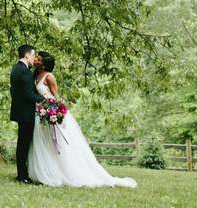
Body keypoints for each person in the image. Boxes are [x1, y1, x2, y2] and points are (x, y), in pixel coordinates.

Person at [27, 51, 137, 188]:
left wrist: (54, 113)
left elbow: (56, 98)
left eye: (39, 58)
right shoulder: (35, 75)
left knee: (58, 145)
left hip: (50, 113)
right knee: (43, 143)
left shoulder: (49, 77)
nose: (36, 59)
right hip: (39, 113)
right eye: (36, 57)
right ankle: (44, 172)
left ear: (44, 64)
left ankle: (64, 173)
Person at [10, 43, 45, 183]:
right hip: (25, 113)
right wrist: (44, 98)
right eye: (33, 54)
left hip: (20, 112)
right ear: (27, 55)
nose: (34, 58)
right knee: (24, 144)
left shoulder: (16, 69)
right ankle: (22, 176)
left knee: (22, 143)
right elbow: (28, 94)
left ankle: (22, 173)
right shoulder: (24, 71)